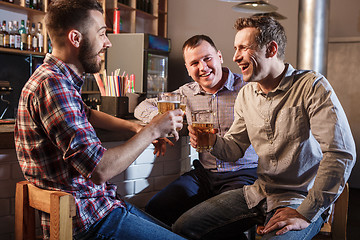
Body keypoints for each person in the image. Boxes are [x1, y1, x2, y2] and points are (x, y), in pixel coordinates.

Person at [172, 16, 356, 240]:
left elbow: (340, 153)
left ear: (271, 49)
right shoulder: (246, 94)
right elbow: (234, 148)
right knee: (183, 227)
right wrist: (212, 142)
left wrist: (306, 212)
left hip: (300, 199)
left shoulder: (312, 86)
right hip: (259, 193)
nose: (235, 57)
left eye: (243, 48)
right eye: (235, 48)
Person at [14, 0, 186, 239]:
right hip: (88, 222)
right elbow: (100, 170)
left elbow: (87, 113)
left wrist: (136, 127)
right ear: (76, 38)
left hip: (99, 207)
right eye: (102, 33)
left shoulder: (56, 79)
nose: (108, 42)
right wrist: (152, 131)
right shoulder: (53, 86)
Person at [134, 34, 258, 227]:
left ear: (219, 56)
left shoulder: (249, 89)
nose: (203, 67)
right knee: (156, 209)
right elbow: (142, 106)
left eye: (207, 58)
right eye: (194, 63)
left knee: (209, 224)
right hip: (205, 175)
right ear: (187, 68)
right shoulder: (185, 93)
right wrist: (159, 124)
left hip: (245, 174)